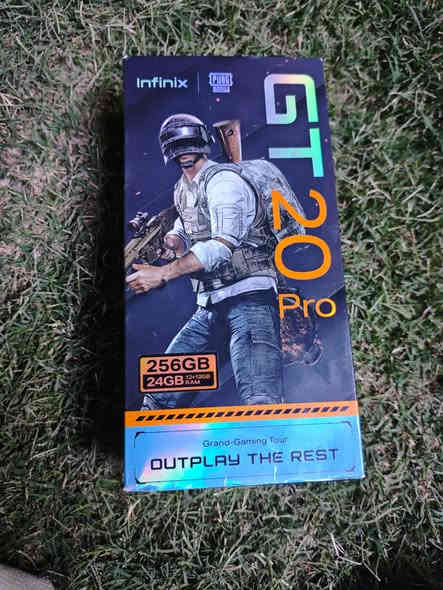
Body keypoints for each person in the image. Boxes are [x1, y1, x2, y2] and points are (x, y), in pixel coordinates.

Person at [126, 114, 283, 409]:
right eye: (179, 148)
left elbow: (222, 246)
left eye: (190, 147)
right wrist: (172, 242)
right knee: (159, 397)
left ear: (203, 145)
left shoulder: (224, 182)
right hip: (211, 304)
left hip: (249, 298)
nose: (185, 153)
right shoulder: (183, 189)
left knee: (260, 401)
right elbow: (187, 228)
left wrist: (163, 273)